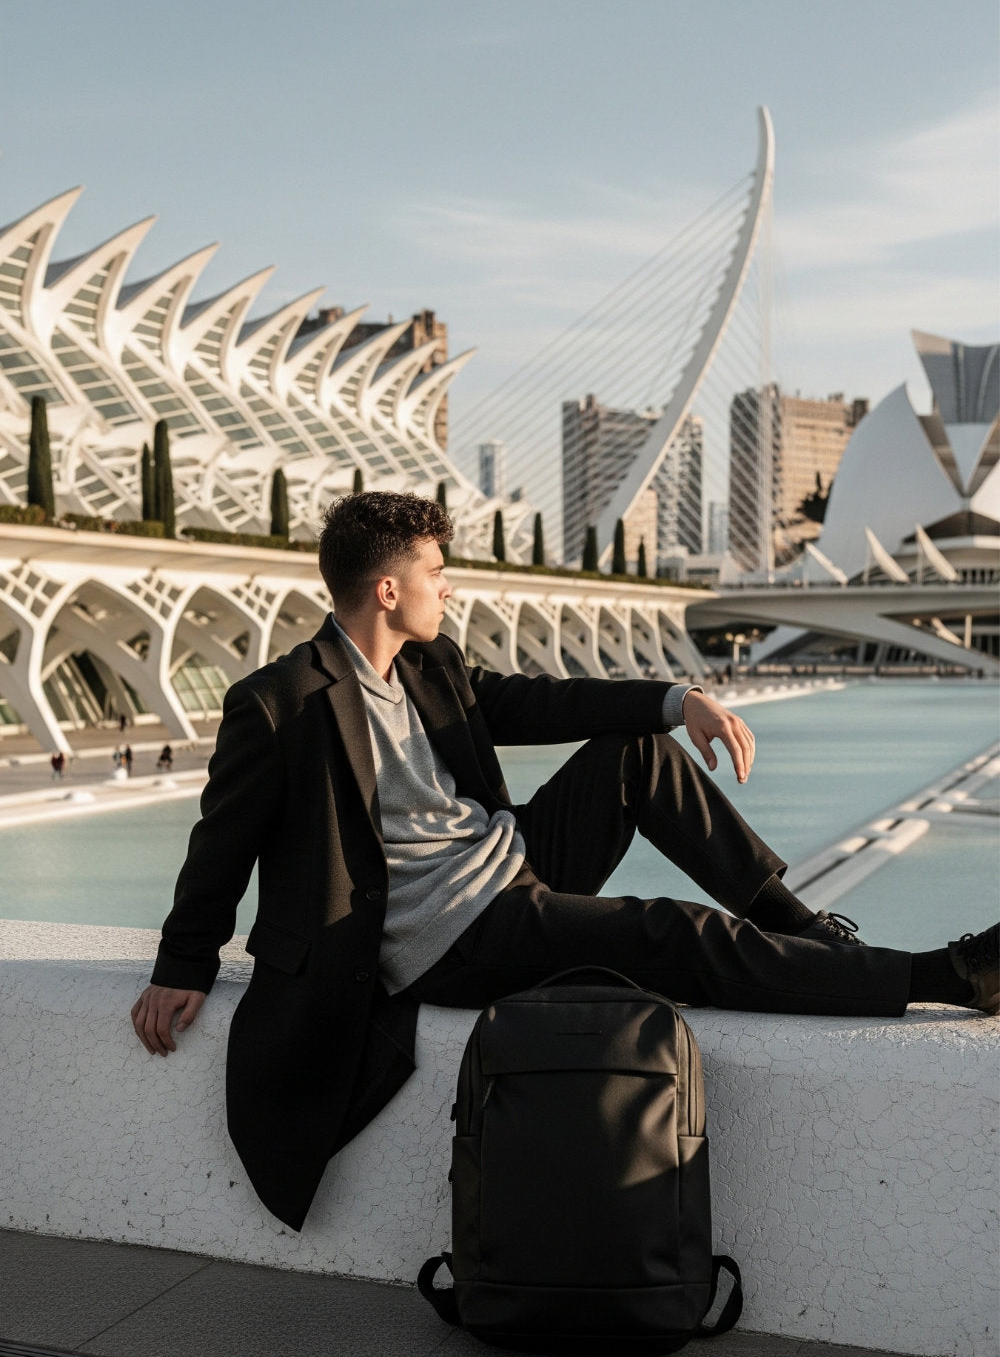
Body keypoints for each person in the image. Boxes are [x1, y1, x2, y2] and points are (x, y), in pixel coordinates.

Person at [131, 492, 999, 1232]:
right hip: (450, 936)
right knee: (671, 934)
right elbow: (222, 839)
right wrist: (183, 966)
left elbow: (544, 699)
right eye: (437, 572)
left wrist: (675, 700)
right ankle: (949, 975)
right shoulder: (282, 703)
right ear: (388, 589)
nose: (449, 585)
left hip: (511, 869)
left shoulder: (431, 665)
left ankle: (813, 934)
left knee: (639, 755)